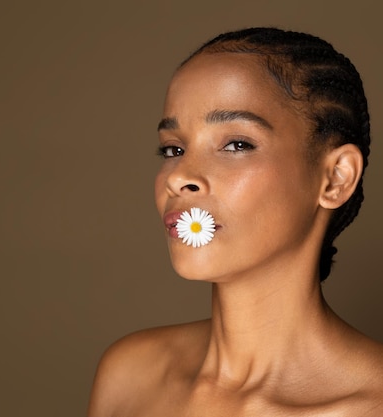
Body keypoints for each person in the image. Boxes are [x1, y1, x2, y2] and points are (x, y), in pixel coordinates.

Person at [87, 27, 383, 416]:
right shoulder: (130, 375)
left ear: (336, 178)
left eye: (237, 144)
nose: (178, 176)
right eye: (173, 149)